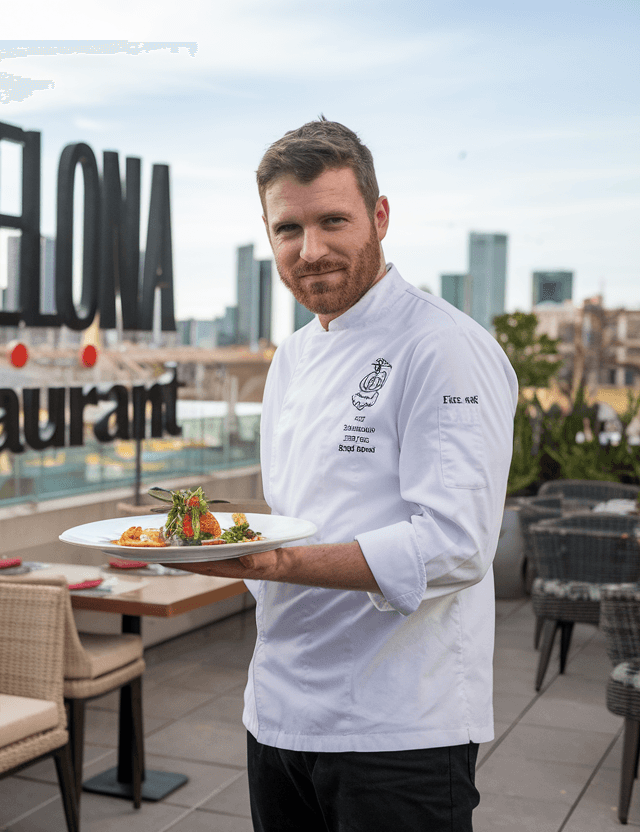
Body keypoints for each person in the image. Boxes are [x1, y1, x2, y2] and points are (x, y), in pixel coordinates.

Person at [168, 119, 517, 830]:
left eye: (333, 221)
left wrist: (276, 562)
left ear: (379, 216)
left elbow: (456, 545)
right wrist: (213, 536)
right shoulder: (292, 357)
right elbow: (300, 511)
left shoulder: (443, 345)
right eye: (288, 229)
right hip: (279, 713)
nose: (311, 250)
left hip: (399, 728)